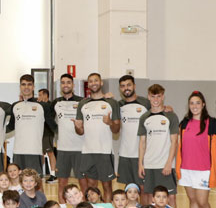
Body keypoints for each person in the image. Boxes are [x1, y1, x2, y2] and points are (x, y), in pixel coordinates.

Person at [176, 91, 216, 208]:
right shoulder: (184, 123)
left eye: (198, 103)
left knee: (202, 202)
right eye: (192, 103)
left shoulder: (211, 122)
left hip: (203, 169)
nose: (194, 106)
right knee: (192, 200)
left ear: (203, 105)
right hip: (186, 168)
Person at [74, 73, 120, 201]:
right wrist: (77, 126)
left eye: (96, 80)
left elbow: (116, 129)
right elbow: (80, 131)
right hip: (88, 152)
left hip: (104, 151)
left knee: (107, 186)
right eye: (90, 81)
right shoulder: (83, 104)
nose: (93, 83)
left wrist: (110, 122)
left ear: (101, 83)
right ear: (88, 84)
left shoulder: (111, 102)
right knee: (91, 188)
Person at [138, 84, 179, 205]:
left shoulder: (171, 116)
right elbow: (142, 142)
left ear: (163, 97)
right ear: (148, 97)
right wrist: (140, 164)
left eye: (158, 96)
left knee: (171, 197)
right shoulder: (144, 117)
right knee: (151, 197)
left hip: (165, 165)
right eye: (153, 96)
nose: (155, 99)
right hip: (149, 164)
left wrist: (168, 163)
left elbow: (174, 142)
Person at [50, 74, 86, 200]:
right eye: (63, 82)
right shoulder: (56, 102)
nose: (65, 85)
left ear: (73, 85)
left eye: (68, 82)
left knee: (83, 183)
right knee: (62, 183)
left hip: (80, 149)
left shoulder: (82, 101)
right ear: (60, 85)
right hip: (63, 149)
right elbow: (47, 117)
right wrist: (56, 129)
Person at [8, 74, 50, 174]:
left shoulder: (42, 105)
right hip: (18, 151)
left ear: (33, 87)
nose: (26, 87)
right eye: (23, 84)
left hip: (34, 151)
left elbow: (52, 125)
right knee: (18, 181)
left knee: (36, 183)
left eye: (29, 84)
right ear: (20, 87)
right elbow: (10, 127)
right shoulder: (15, 106)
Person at [116, 74, 151, 189]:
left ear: (134, 86)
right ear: (120, 88)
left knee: (143, 188)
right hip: (125, 153)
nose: (126, 88)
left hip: (142, 154)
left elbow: (158, 111)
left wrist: (167, 108)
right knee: (129, 188)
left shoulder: (146, 103)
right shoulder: (118, 105)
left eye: (129, 85)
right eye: (123, 86)